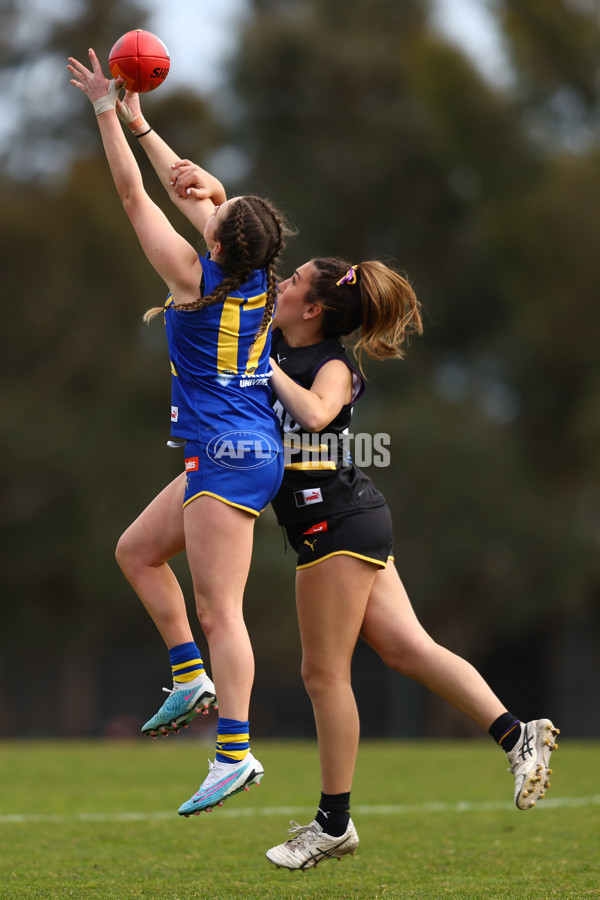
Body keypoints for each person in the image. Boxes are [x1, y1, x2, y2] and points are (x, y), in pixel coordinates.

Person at [159, 168, 559, 856]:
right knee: (409, 650)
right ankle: (516, 732)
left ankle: (334, 823)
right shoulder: (260, 320)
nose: (280, 285)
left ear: (313, 310)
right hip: (345, 522)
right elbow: (223, 225)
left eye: (293, 286)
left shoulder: (329, 364)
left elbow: (316, 414)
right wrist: (151, 138)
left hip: (336, 521)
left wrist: (264, 371)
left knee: (323, 675)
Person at [67, 51, 288, 816]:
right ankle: (191, 677)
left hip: (230, 456)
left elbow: (136, 197)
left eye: (215, 216)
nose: (207, 206)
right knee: (136, 551)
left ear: (219, 242)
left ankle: (233, 753)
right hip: (242, 449)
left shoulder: (193, 282)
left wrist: (102, 110)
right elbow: (189, 188)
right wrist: (142, 122)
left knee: (221, 609)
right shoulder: (256, 272)